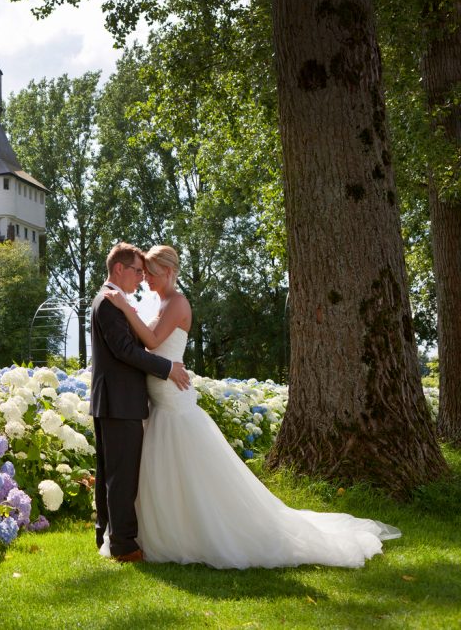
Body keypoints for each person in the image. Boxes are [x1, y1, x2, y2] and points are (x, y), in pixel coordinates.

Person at [101, 245, 400, 568]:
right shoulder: (156, 301)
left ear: (170, 272)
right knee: (162, 474)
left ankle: (209, 531)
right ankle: (158, 532)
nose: (146, 280)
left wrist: (125, 309)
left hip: (174, 401)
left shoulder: (178, 302)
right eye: (143, 273)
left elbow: (153, 341)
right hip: (158, 402)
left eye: (152, 273)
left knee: (194, 472)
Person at [90, 242, 191, 562]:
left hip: (116, 400)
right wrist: (167, 368)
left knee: (112, 471)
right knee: (121, 476)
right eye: (137, 270)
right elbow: (126, 351)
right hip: (119, 401)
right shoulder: (108, 303)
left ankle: (106, 533)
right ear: (119, 269)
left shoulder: (114, 302)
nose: (140, 277)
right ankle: (123, 544)